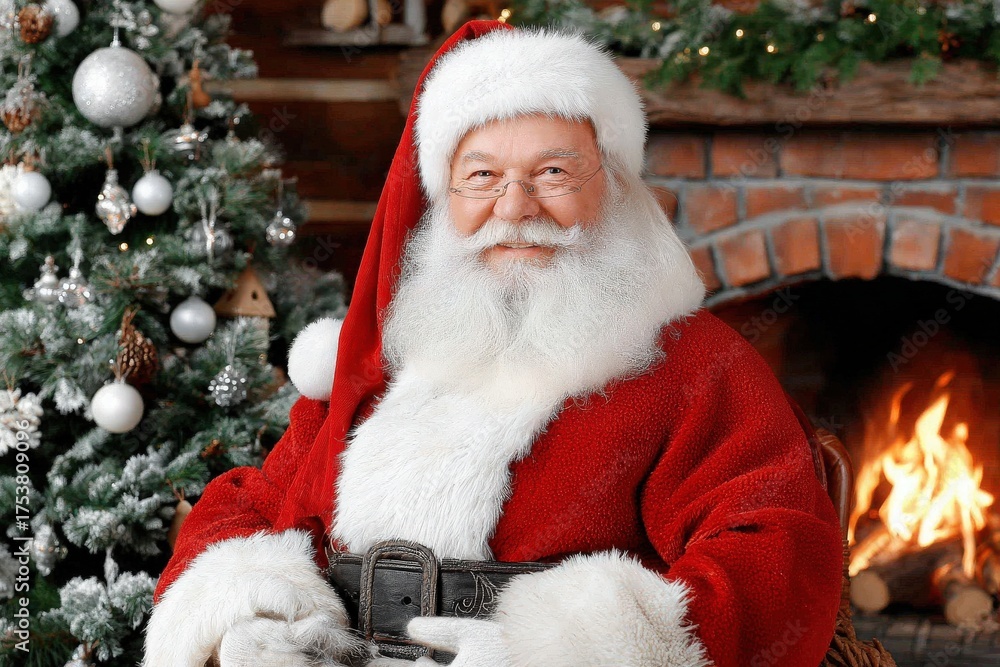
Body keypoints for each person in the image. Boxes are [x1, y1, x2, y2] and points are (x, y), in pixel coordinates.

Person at [142, 20, 842, 667]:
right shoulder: (381, 360)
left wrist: (561, 651)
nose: (515, 207)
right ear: (443, 197)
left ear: (616, 187)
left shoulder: (695, 362)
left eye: (553, 173)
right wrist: (250, 612)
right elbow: (257, 500)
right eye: (482, 176)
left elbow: (776, 548)